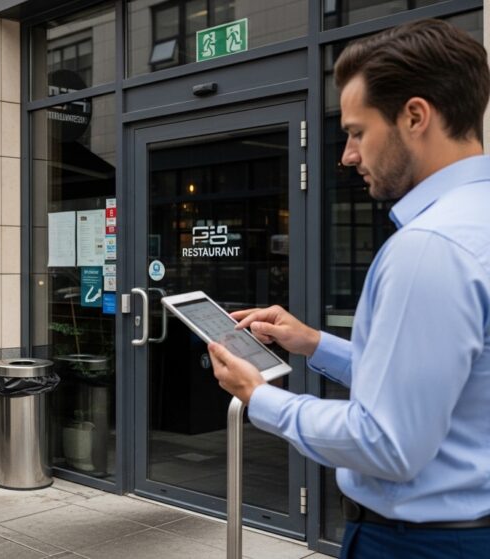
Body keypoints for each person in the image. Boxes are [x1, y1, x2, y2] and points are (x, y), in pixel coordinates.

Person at [206, 19, 490, 558]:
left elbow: (387, 442)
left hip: (414, 544)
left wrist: (259, 397)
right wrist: (314, 343)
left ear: (414, 116)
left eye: (357, 131)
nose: (347, 155)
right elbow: (437, 384)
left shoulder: (430, 246)